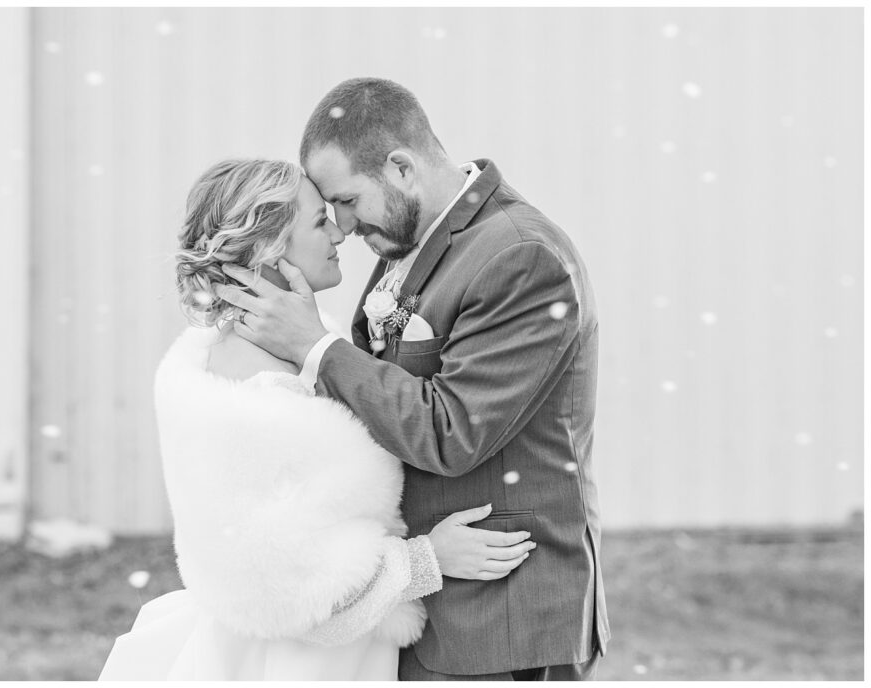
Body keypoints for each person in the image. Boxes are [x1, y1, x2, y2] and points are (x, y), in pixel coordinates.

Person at [216, 78, 611, 680]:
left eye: (347, 201)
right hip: (425, 602)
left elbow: (451, 432)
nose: (343, 227)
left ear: (401, 168)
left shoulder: (521, 255)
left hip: (502, 618)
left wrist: (314, 347)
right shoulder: (408, 238)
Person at [98, 158, 536, 681]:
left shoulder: (291, 348)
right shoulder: (252, 401)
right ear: (268, 249)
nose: (340, 232)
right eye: (318, 221)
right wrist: (428, 560)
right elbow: (283, 591)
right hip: (294, 667)